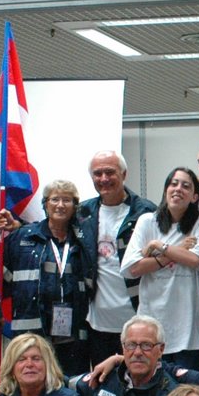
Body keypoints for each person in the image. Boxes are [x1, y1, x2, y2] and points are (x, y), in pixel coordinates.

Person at [0, 178, 92, 374]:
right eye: (55, 199)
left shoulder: (84, 241)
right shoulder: (23, 238)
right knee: (30, 387)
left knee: (70, 389)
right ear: (45, 204)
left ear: (75, 206)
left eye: (67, 200)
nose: (60, 205)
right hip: (30, 334)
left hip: (74, 337)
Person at [122, 166, 199, 370]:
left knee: (187, 392)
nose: (178, 189)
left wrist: (159, 247)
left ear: (194, 196)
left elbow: (196, 261)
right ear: (166, 190)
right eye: (173, 184)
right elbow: (134, 268)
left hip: (190, 330)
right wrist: (178, 250)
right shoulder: (147, 221)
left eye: (185, 186)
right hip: (152, 324)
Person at [78, 150, 158, 366]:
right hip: (98, 323)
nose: (104, 179)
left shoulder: (146, 211)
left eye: (110, 172)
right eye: (98, 173)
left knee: (141, 381)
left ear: (124, 174)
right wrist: (17, 226)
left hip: (139, 320)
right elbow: (51, 228)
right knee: (104, 385)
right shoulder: (83, 212)